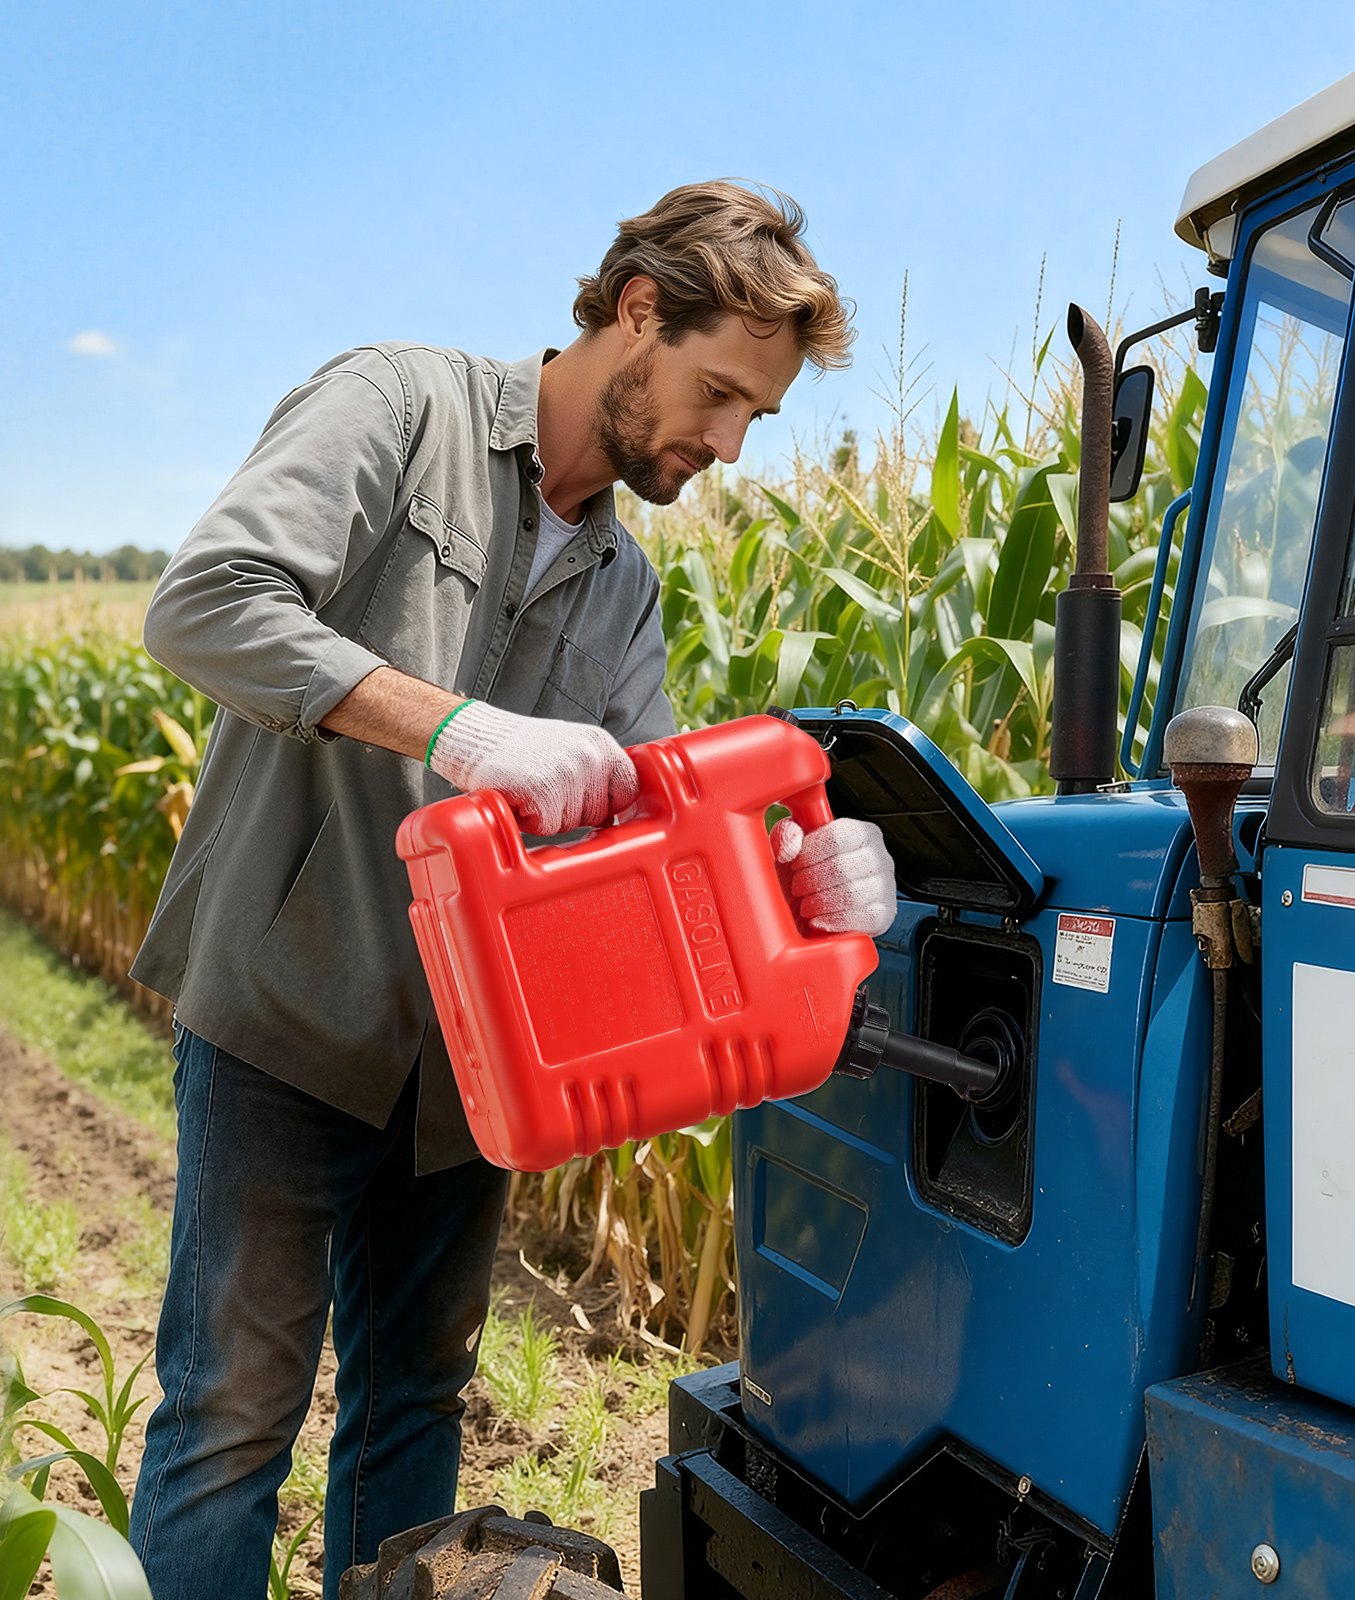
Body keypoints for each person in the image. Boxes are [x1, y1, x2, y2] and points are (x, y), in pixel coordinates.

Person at [126, 180, 897, 1599]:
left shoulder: (623, 586)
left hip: (472, 1068)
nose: (730, 445)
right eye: (722, 396)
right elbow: (206, 603)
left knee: (413, 1408)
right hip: (286, 1011)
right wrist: (459, 730)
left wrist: (803, 884)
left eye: (758, 417)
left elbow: (664, 838)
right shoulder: (396, 407)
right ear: (639, 311)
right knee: (231, 1421)